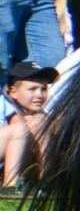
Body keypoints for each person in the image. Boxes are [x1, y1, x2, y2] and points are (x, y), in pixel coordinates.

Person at [0, 60, 55, 189]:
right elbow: (20, 126)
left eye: (44, 89)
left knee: (40, 124)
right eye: (32, 89)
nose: (40, 95)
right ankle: (12, 186)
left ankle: (46, 183)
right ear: (13, 92)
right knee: (30, 127)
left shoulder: (38, 113)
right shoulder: (9, 106)